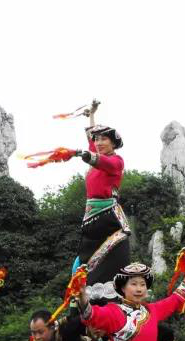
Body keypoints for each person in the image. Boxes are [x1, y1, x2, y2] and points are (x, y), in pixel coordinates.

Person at [71, 101, 131, 299]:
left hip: (108, 219)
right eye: (97, 140)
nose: (98, 142)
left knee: (108, 265)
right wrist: (91, 116)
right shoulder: (97, 154)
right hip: (91, 220)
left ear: (113, 143)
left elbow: (100, 160)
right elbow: (91, 142)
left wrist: (88, 156)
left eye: (104, 139)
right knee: (80, 266)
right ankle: (80, 302)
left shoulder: (116, 161)